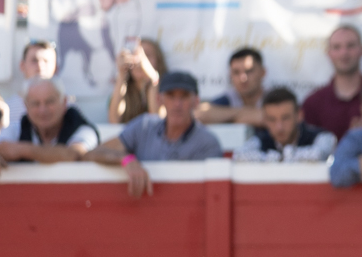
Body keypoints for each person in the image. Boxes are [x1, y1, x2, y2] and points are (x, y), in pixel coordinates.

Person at [86, 71, 223, 198]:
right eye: (170, 95)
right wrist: (126, 160)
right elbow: (93, 153)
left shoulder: (207, 143)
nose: (177, 104)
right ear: (159, 99)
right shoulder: (144, 126)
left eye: (184, 96)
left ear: (196, 101)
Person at [0, 78, 100, 178]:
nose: (43, 110)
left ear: (64, 103)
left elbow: (74, 154)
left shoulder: (83, 128)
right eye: (35, 104)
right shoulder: (16, 128)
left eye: (49, 102)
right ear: (26, 106)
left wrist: (21, 150)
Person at [237, 87, 337, 162]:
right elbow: (239, 155)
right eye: (272, 119)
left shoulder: (320, 136)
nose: (279, 127)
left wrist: (281, 157)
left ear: (299, 115)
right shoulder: (260, 139)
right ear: (265, 120)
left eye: (285, 118)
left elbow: (320, 154)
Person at [302, 26, 362, 140]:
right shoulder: (312, 103)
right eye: (337, 47)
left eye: (350, 46)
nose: (344, 53)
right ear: (329, 53)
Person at [196, 47, 266, 125]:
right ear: (230, 76)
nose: (243, 78)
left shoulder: (273, 98)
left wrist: (227, 118)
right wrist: (242, 114)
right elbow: (198, 114)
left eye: (249, 71)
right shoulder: (228, 98)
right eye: (236, 72)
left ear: (263, 72)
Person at [108, 38, 167, 124]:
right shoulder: (122, 90)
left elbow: (158, 121)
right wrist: (121, 75)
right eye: (135, 55)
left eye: (147, 55)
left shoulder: (168, 90)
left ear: (158, 61)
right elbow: (114, 121)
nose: (140, 60)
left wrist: (152, 78)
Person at [5, 40, 58, 119]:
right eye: (34, 60)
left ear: (56, 68)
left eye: (46, 61)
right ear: (22, 66)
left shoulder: (67, 108)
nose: (40, 66)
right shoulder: (7, 109)